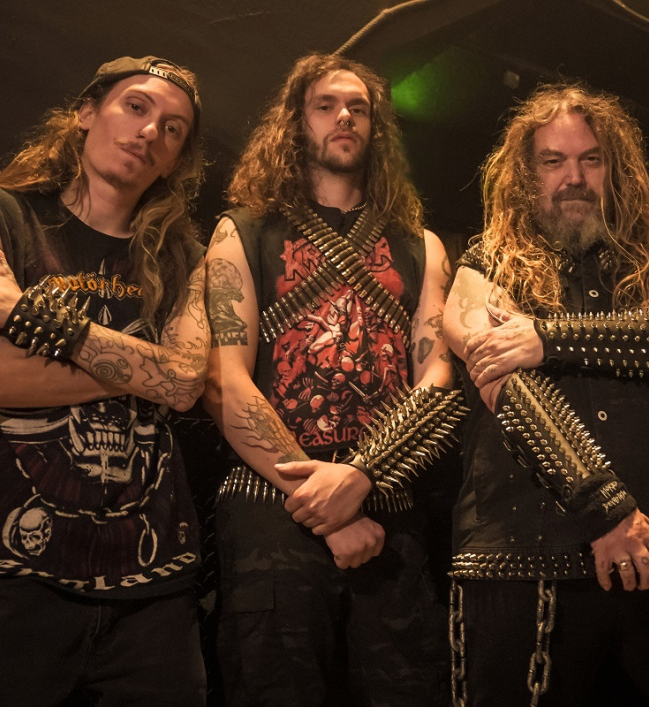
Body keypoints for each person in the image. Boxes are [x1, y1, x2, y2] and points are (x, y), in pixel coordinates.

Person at [442, 83, 649, 706]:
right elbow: (502, 379)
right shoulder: (485, 266)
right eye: (553, 161)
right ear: (526, 174)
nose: (574, 177)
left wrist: (545, 338)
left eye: (590, 159)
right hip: (526, 561)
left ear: (614, 167)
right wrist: (608, 512)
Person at [0, 56, 209, 705]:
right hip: (7, 573)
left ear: (177, 159)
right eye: (136, 107)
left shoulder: (185, 256)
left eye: (173, 129)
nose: (150, 131)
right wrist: (145, 369)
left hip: (153, 588)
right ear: (86, 112)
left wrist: (27, 314)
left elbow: (185, 383)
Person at [201, 52, 461, 706]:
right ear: (297, 122)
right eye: (325, 105)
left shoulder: (421, 244)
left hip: (389, 503)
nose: (344, 116)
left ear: (375, 128)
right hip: (272, 505)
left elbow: (437, 376)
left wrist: (363, 476)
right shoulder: (241, 232)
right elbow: (226, 380)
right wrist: (325, 506)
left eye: (358, 108)